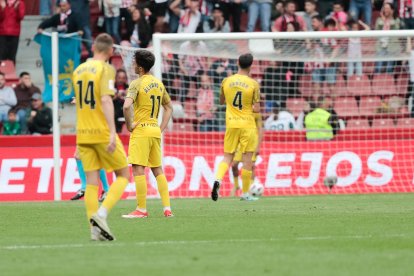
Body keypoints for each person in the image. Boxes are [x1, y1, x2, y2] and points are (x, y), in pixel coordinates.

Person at [73, 33, 130, 241]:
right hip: (102, 132)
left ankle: (94, 230)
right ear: (110, 52)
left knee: (91, 182)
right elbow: (106, 100)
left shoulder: (78, 70)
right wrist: (113, 132)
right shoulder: (106, 69)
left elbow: (79, 103)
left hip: (83, 133)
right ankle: (101, 214)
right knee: (124, 175)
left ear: (93, 48)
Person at [122, 49, 174, 218]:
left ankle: (141, 209)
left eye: (134, 62)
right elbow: (169, 108)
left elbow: (126, 106)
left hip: (141, 130)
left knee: (138, 170)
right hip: (154, 130)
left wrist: (130, 125)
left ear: (140, 67)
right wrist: (161, 128)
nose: (132, 64)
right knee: (158, 170)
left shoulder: (136, 84)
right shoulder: (158, 83)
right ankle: (167, 209)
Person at [211, 53, 261, 201]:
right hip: (247, 125)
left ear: (237, 62)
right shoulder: (253, 84)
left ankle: (217, 180)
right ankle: (245, 194)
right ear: (251, 65)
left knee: (227, 157)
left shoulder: (226, 81)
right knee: (247, 160)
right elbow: (257, 109)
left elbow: (221, 101)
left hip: (231, 124)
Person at [231, 109, 263, 197]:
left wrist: (258, 146)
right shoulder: (238, 111)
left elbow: (260, 129)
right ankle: (236, 185)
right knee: (234, 165)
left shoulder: (256, 113)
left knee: (251, 166)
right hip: (240, 142)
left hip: (252, 142)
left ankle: (250, 188)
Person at [374, 2, 400, 74]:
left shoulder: (396, 20)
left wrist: (385, 20)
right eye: (385, 8)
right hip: (380, 47)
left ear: (392, 10)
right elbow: (376, 31)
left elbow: (395, 26)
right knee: (378, 68)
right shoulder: (379, 20)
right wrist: (383, 20)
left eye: (388, 8)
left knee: (389, 69)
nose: (386, 10)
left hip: (391, 47)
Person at [113, 68, 128, 133]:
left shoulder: (129, 88)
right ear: (116, 78)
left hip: (126, 113)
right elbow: (108, 100)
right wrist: (117, 96)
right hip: (115, 113)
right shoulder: (111, 87)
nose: (121, 80)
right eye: (119, 78)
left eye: (123, 78)